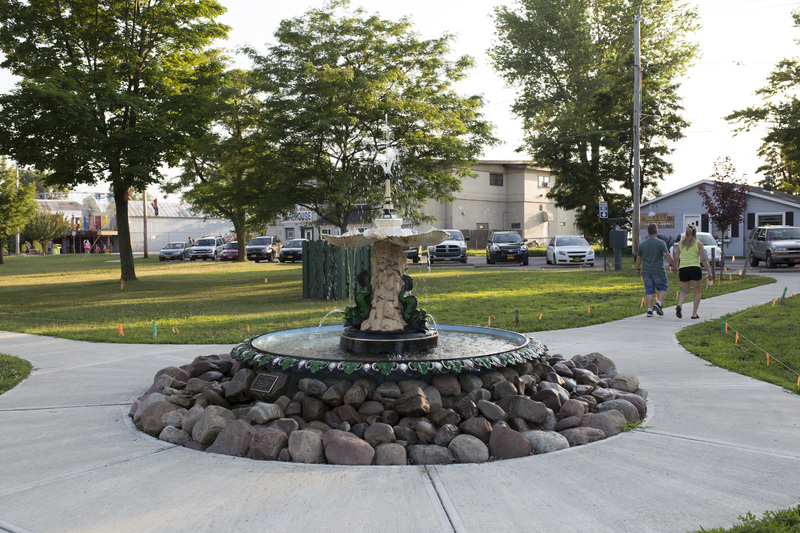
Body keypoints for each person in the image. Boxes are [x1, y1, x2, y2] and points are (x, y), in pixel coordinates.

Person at [635, 223, 677, 317]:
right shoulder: (661, 243)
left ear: (648, 232)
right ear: (656, 231)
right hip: (658, 270)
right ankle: (658, 303)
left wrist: (638, 269)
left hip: (646, 271)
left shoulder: (642, 244)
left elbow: (638, 258)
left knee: (649, 290)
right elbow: (667, 255)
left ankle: (649, 311)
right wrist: (674, 264)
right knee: (663, 287)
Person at [673, 225, 714, 319]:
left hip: (683, 269)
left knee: (684, 291)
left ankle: (679, 304)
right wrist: (709, 272)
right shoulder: (699, 244)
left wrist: (675, 267)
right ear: (695, 233)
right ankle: (694, 314)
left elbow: (676, 257)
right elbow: (703, 259)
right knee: (697, 292)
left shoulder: (680, 244)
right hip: (695, 268)